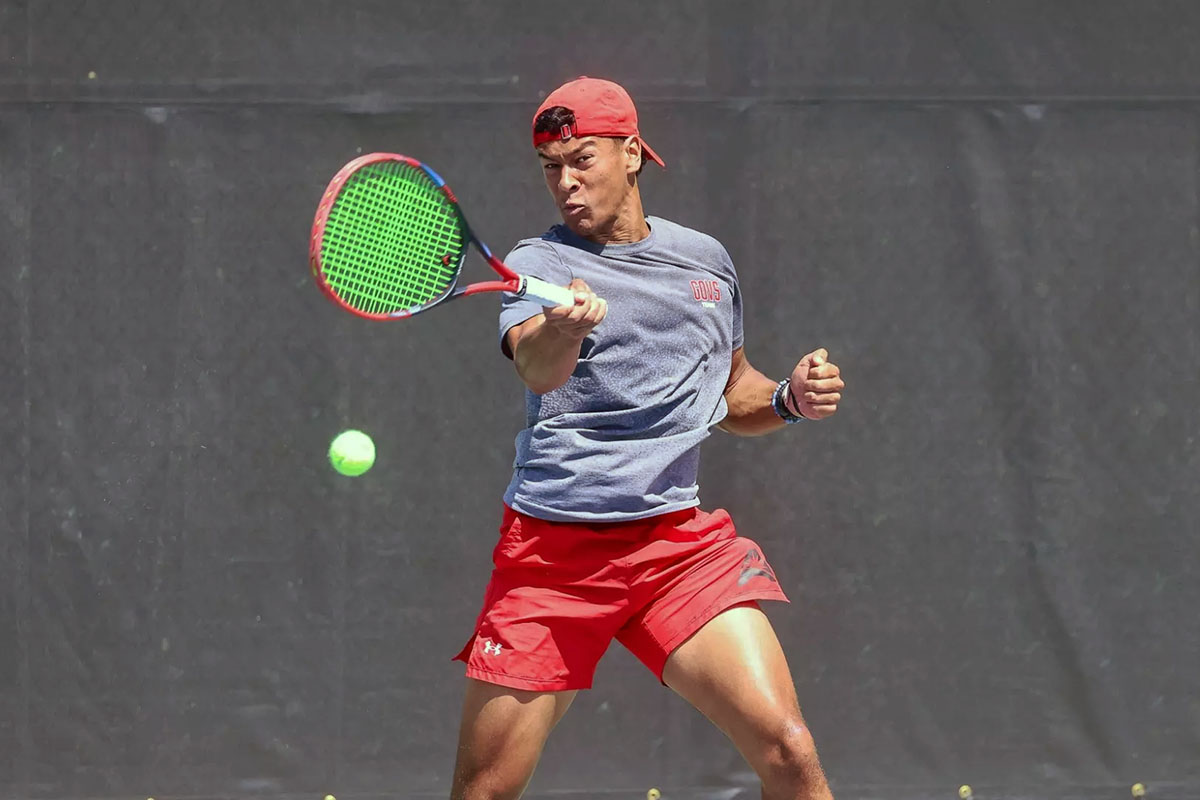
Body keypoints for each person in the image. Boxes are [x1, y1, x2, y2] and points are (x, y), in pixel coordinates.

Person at [450, 76, 845, 800]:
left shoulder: (705, 262)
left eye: (582, 160)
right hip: (553, 558)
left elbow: (730, 392)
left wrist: (787, 399)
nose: (566, 183)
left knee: (790, 752)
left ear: (631, 153)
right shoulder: (538, 264)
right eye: (550, 168)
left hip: (674, 548)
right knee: (486, 791)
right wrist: (564, 330)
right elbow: (537, 369)